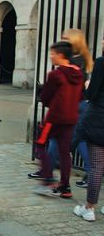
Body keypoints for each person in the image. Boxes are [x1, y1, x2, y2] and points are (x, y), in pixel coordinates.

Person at [31, 28, 94, 187]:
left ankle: (50, 174)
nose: (62, 40)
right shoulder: (79, 65)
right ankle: (56, 177)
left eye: (66, 38)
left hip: (63, 111)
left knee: (49, 141)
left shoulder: (67, 67)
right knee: (61, 146)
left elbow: (47, 96)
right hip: (72, 110)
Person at [34, 41, 84, 198]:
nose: (51, 57)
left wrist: (50, 101)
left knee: (40, 144)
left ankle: (48, 179)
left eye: (53, 54)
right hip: (71, 117)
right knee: (64, 152)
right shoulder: (78, 73)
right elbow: (80, 96)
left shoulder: (55, 74)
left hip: (54, 118)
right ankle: (65, 186)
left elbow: (45, 97)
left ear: (61, 55)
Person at [73, 38, 104, 221]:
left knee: (97, 165)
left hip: (99, 117)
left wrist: (87, 86)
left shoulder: (101, 62)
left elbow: (91, 94)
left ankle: (89, 207)